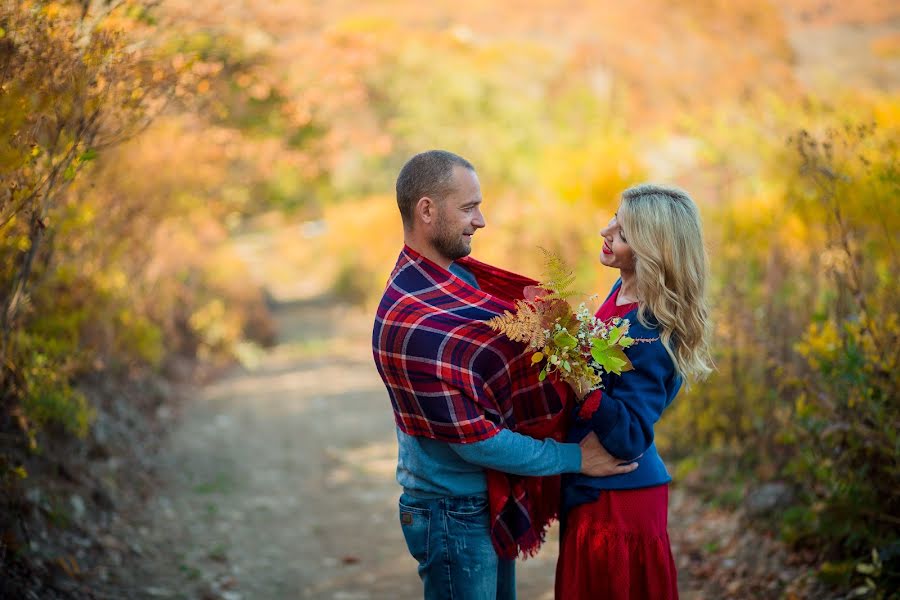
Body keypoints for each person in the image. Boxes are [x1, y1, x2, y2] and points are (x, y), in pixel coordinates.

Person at [372, 150, 638, 600]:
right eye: (469, 207)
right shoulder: (407, 317)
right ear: (427, 210)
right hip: (449, 512)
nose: (481, 220)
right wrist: (574, 458)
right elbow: (477, 439)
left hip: (486, 499)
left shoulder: (466, 284)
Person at [554, 183, 714, 599]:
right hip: (592, 487)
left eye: (622, 233)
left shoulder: (649, 331)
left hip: (619, 504)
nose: (605, 231)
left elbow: (630, 437)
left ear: (651, 251)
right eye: (614, 218)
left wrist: (579, 379)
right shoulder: (622, 292)